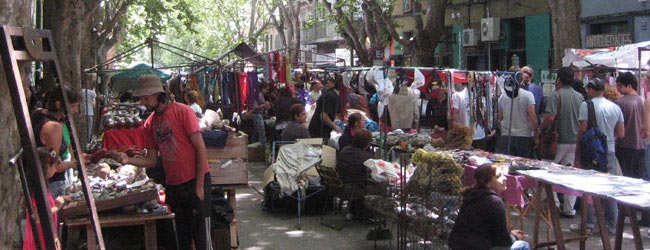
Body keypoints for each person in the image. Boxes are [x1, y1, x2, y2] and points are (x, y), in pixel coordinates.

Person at [112, 74, 212, 249]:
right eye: (142, 98)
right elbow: (151, 160)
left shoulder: (183, 111)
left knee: (202, 236)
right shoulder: (149, 124)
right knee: (182, 236)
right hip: (174, 185)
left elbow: (200, 148)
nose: (143, 102)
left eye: (146, 97)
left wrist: (199, 186)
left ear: (158, 94)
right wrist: (128, 160)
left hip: (194, 179)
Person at [571, 78, 624, 234]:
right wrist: (607, 140)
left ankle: (588, 223)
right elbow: (621, 133)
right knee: (610, 189)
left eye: (588, 89)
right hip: (610, 151)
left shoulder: (586, 105)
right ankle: (611, 224)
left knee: (588, 186)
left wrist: (578, 154)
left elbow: (582, 130)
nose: (587, 92)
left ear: (592, 89)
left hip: (591, 151)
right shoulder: (615, 107)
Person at [448, 164, 530, 250]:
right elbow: (503, 241)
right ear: (488, 183)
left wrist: (511, 234)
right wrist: (515, 237)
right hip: (476, 246)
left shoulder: (471, 195)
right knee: (523, 245)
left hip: (456, 245)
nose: (505, 178)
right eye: (498, 176)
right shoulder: (494, 202)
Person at [540, 67, 584, 218]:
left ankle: (555, 205)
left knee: (549, 173)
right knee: (570, 174)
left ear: (559, 79)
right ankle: (569, 208)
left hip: (557, 141)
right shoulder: (579, 97)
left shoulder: (556, 95)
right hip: (574, 140)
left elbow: (550, 117)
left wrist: (541, 128)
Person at [31, 86, 81, 198]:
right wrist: (76, 163)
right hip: (51, 184)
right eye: (73, 106)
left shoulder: (37, 113)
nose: (75, 110)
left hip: (36, 179)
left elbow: (52, 154)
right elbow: (54, 167)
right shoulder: (54, 127)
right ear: (59, 105)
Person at [613, 72, 649, 225]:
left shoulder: (621, 103)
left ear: (628, 86)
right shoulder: (642, 100)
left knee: (626, 179)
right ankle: (642, 210)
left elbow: (618, 128)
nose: (618, 88)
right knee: (641, 179)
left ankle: (628, 210)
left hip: (626, 145)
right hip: (642, 145)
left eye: (620, 85)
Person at [23, 148, 67, 250]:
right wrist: (56, 207)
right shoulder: (38, 189)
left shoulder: (41, 186)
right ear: (46, 167)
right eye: (54, 166)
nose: (56, 169)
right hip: (40, 238)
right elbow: (39, 217)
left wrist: (62, 198)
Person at [335, 129, 374, 220]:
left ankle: (354, 210)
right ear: (367, 143)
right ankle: (368, 213)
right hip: (352, 189)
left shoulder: (345, 150)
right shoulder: (365, 156)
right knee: (377, 186)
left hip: (338, 185)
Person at [496, 78, 539, 159]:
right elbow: (532, 117)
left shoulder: (502, 97)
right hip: (524, 136)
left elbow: (500, 117)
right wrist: (536, 134)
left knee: (506, 165)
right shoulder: (528, 95)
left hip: (506, 136)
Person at [451, 82, 487, 149]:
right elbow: (454, 117)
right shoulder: (458, 95)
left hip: (480, 135)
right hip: (465, 136)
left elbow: (485, 115)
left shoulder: (480, 96)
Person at [308, 77, 342, 142]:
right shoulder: (331, 96)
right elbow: (323, 116)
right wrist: (335, 127)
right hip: (318, 131)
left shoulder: (333, 95)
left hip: (323, 130)